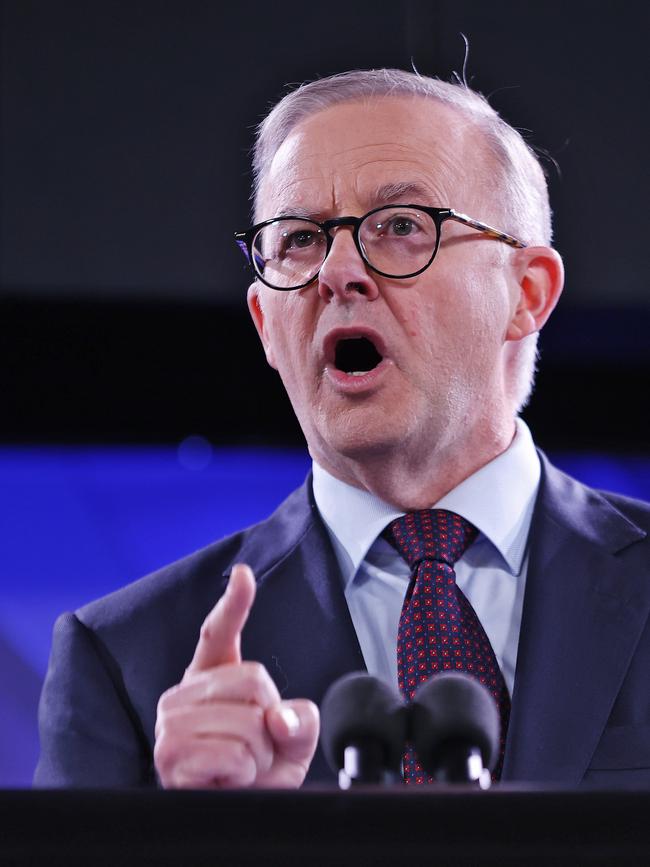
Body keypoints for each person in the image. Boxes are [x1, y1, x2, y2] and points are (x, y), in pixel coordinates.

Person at [35, 69, 650, 789]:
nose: (337, 271)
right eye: (298, 239)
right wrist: (204, 840)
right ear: (266, 324)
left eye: (400, 227)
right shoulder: (125, 661)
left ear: (527, 293)